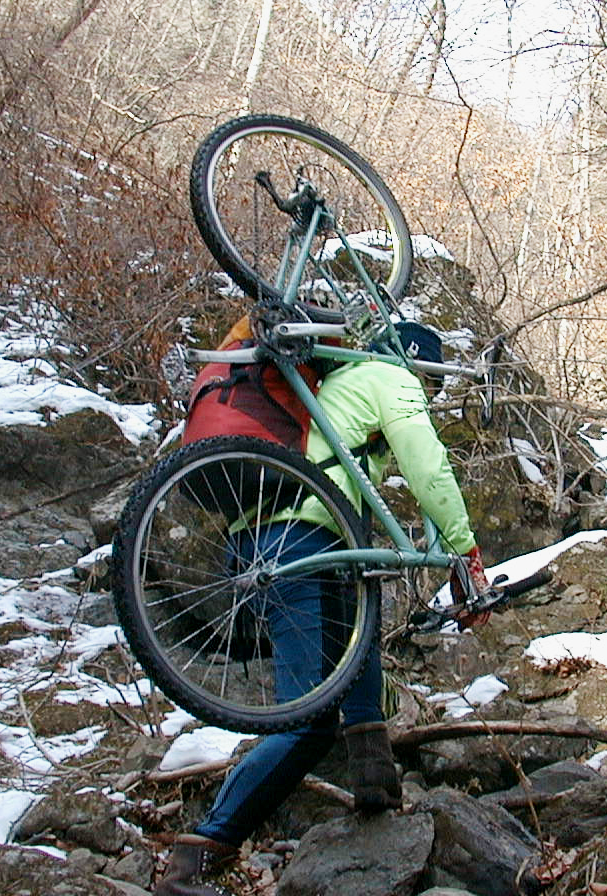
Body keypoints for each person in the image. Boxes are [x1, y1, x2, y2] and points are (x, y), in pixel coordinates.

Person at [153, 320, 492, 896]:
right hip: (300, 539)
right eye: (431, 386)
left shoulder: (339, 387)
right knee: (307, 719)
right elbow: (427, 463)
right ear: (418, 367)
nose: (430, 398)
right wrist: (466, 551)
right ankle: (197, 857)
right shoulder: (390, 377)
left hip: (281, 536)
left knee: (360, 627)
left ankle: (376, 787)